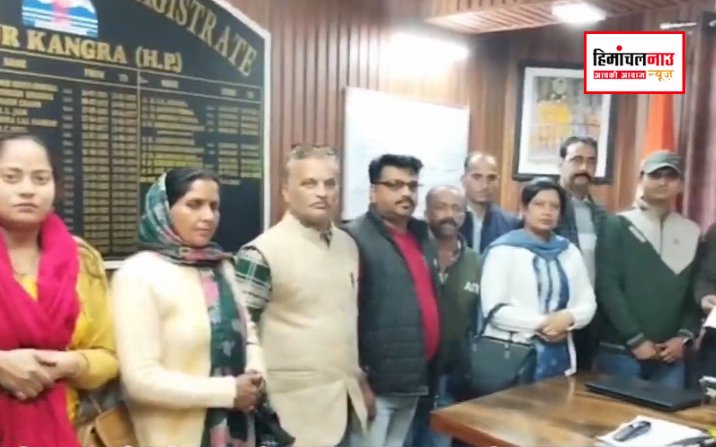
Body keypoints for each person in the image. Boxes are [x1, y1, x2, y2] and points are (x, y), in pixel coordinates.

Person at [112, 168, 265, 447]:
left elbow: (248, 334)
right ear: (164, 210)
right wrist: (229, 391)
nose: (208, 216)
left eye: (214, 206)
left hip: (235, 431)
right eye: (194, 205)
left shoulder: (221, 266)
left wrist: (255, 377)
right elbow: (140, 380)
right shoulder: (138, 275)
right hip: (172, 436)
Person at [235, 145, 368, 447]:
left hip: (346, 406)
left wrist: (360, 384)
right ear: (286, 191)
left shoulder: (348, 245)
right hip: (291, 416)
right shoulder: (261, 252)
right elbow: (241, 335)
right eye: (309, 183)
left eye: (330, 183)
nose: (322, 193)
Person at [0, 133, 118, 447]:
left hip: (69, 430)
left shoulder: (82, 259)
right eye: (11, 177)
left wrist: (71, 364)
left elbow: (108, 356)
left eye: (40, 178)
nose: (27, 189)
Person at [344, 154, 440, 447]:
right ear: (373, 191)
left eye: (412, 186)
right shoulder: (353, 237)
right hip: (376, 385)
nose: (406, 193)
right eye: (395, 185)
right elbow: (343, 316)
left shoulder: (422, 235)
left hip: (413, 379)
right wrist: (359, 381)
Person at [595, 151, 701, 389]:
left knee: (668, 414)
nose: (663, 182)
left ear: (681, 184)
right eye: (655, 175)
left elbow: (695, 292)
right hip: (620, 351)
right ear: (641, 179)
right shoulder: (617, 224)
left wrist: (683, 338)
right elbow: (607, 286)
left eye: (670, 176)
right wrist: (635, 339)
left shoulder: (692, 231)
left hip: (671, 356)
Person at [480, 177, 596, 382]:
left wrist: (568, 318)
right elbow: (494, 309)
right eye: (539, 204)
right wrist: (545, 324)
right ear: (524, 209)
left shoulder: (569, 251)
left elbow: (588, 303)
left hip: (561, 358)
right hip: (512, 358)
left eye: (554, 206)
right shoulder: (503, 250)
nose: (547, 211)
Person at [405, 185, 481, 447]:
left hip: (450, 377)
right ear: (426, 213)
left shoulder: (475, 261)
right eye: (441, 207)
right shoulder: (412, 253)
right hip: (411, 374)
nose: (449, 214)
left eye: (456, 208)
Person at [555, 136, 608, 370]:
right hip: (554, 313)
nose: (584, 167)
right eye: (576, 160)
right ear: (561, 164)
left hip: (590, 314)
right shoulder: (547, 205)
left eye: (591, 161)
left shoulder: (601, 213)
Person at [459, 152, 520, 255]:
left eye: (491, 178)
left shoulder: (511, 224)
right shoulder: (451, 220)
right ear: (463, 180)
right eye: (477, 177)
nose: (485, 185)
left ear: (498, 182)